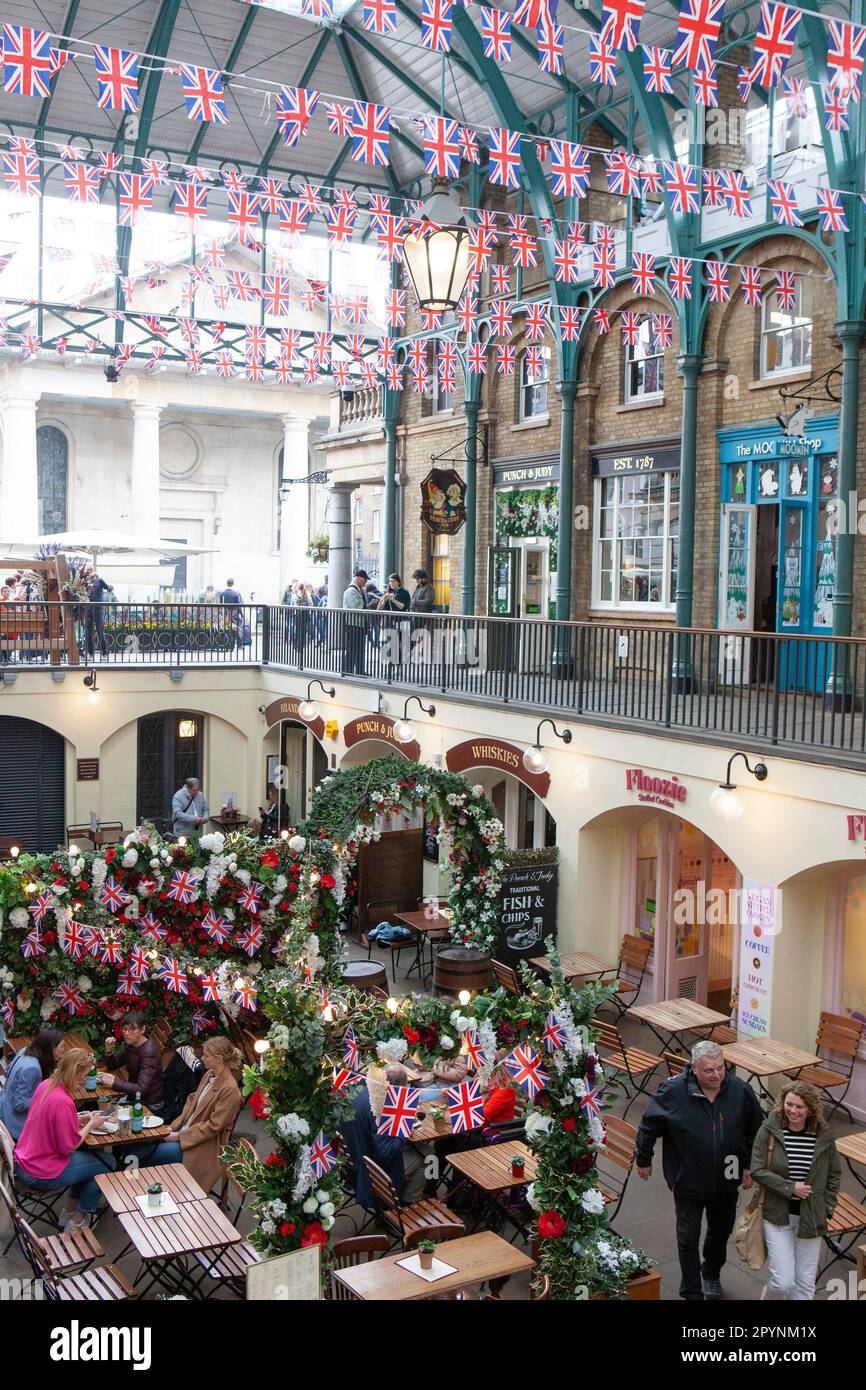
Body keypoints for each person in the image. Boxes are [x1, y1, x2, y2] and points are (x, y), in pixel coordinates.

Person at [635, 1039, 763, 1301]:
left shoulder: (740, 1091)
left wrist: (750, 1164)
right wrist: (643, 1159)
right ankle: (691, 1290)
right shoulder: (672, 1092)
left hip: (727, 1180)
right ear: (694, 1068)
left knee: (719, 1233)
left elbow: (756, 1130)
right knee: (688, 1237)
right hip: (687, 1180)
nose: (716, 1075)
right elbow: (649, 1126)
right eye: (709, 1070)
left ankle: (712, 1274)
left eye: (721, 1068)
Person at [750, 1081, 840, 1301]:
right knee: (783, 1282)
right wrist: (791, 1188)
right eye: (789, 1104)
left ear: (810, 1109)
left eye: (800, 1106)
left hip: (811, 1216)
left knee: (805, 1284)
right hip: (777, 1214)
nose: (793, 1110)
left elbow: (834, 1174)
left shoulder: (823, 1135)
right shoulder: (769, 1129)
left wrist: (827, 1207)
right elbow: (757, 1170)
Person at [14, 1048, 116, 1230]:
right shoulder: (63, 1100)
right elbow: (69, 1148)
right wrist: (91, 1124)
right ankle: (79, 1218)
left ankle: (69, 1211)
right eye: (84, 1075)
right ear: (74, 1072)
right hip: (40, 1171)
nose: (85, 1080)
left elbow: (50, 1120)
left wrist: (77, 1119)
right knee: (107, 1163)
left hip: (25, 1161)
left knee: (94, 1159)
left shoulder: (46, 1084)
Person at [153, 1036, 242, 1190]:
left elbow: (213, 1127)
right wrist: (173, 1128)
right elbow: (192, 1101)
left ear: (219, 1058)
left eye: (206, 1055)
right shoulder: (209, 1075)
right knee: (145, 1145)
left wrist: (179, 1136)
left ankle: (158, 1193)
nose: (202, 1058)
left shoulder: (230, 1089)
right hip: (187, 1133)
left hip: (204, 1146)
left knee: (152, 1154)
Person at [340, 1066, 409, 1210]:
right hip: (373, 1172)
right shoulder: (380, 1106)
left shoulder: (357, 1092)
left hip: (352, 1160)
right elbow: (385, 1153)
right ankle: (404, 1208)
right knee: (423, 1157)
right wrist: (404, 1129)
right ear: (398, 1088)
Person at [0, 1028, 65, 1140]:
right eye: (62, 1047)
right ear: (51, 1048)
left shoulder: (25, 1050)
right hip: (14, 1124)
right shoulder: (32, 1068)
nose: (64, 1051)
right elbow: (19, 1105)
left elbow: (7, 1072)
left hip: (4, 1106)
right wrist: (45, 1094)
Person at [97, 1012, 163, 1110]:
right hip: (133, 1097)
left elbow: (141, 1090)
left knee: (104, 1108)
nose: (127, 1033)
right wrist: (109, 1050)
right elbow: (113, 1066)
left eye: (132, 1029)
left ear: (143, 1029)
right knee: (100, 1104)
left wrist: (114, 1082)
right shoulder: (132, 1045)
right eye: (125, 1029)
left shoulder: (149, 1053)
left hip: (148, 1104)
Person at [342, 567, 369, 676]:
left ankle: (359, 670)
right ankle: (347, 670)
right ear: (358, 578)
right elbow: (356, 607)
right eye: (365, 579)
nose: (366, 582)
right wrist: (369, 606)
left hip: (360, 623)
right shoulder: (351, 590)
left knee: (360, 648)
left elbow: (362, 605)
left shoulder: (359, 589)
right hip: (353, 624)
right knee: (352, 648)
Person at [85, 568, 114, 659]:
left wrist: (99, 579)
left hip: (98, 609)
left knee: (100, 631)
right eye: (88, 570)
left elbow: (108, 587)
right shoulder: (85, 582)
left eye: (91, 570)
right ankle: (90, 653)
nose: (90, 572)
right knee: (88, 633)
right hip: (88, 609)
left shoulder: (99, 581)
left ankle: (104, 653)